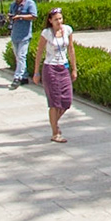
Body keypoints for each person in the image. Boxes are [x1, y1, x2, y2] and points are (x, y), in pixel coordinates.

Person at [37, 8, 75, 142]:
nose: (59, 21)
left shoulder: (68, 30)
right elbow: (40, 52)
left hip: (63, 67)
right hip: (50, 68)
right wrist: (36, 72)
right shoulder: (46, 33)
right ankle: (55, 132)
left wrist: (74, 68)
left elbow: (71, 49)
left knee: (66, 100)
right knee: (54, 101)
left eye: (60, 18)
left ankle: (54, 122)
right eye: (56, 19)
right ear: (50, 21)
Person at [8, 0, 38, 87]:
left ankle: (17, 77)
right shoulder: (13, 5)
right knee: (18, 57)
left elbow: (33, 16)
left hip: (25, 35)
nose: (16, 0)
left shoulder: (30, 3)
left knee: (21, 56)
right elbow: (11, 16)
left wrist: (20, 17)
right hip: (15, 34)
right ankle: (24, 76)